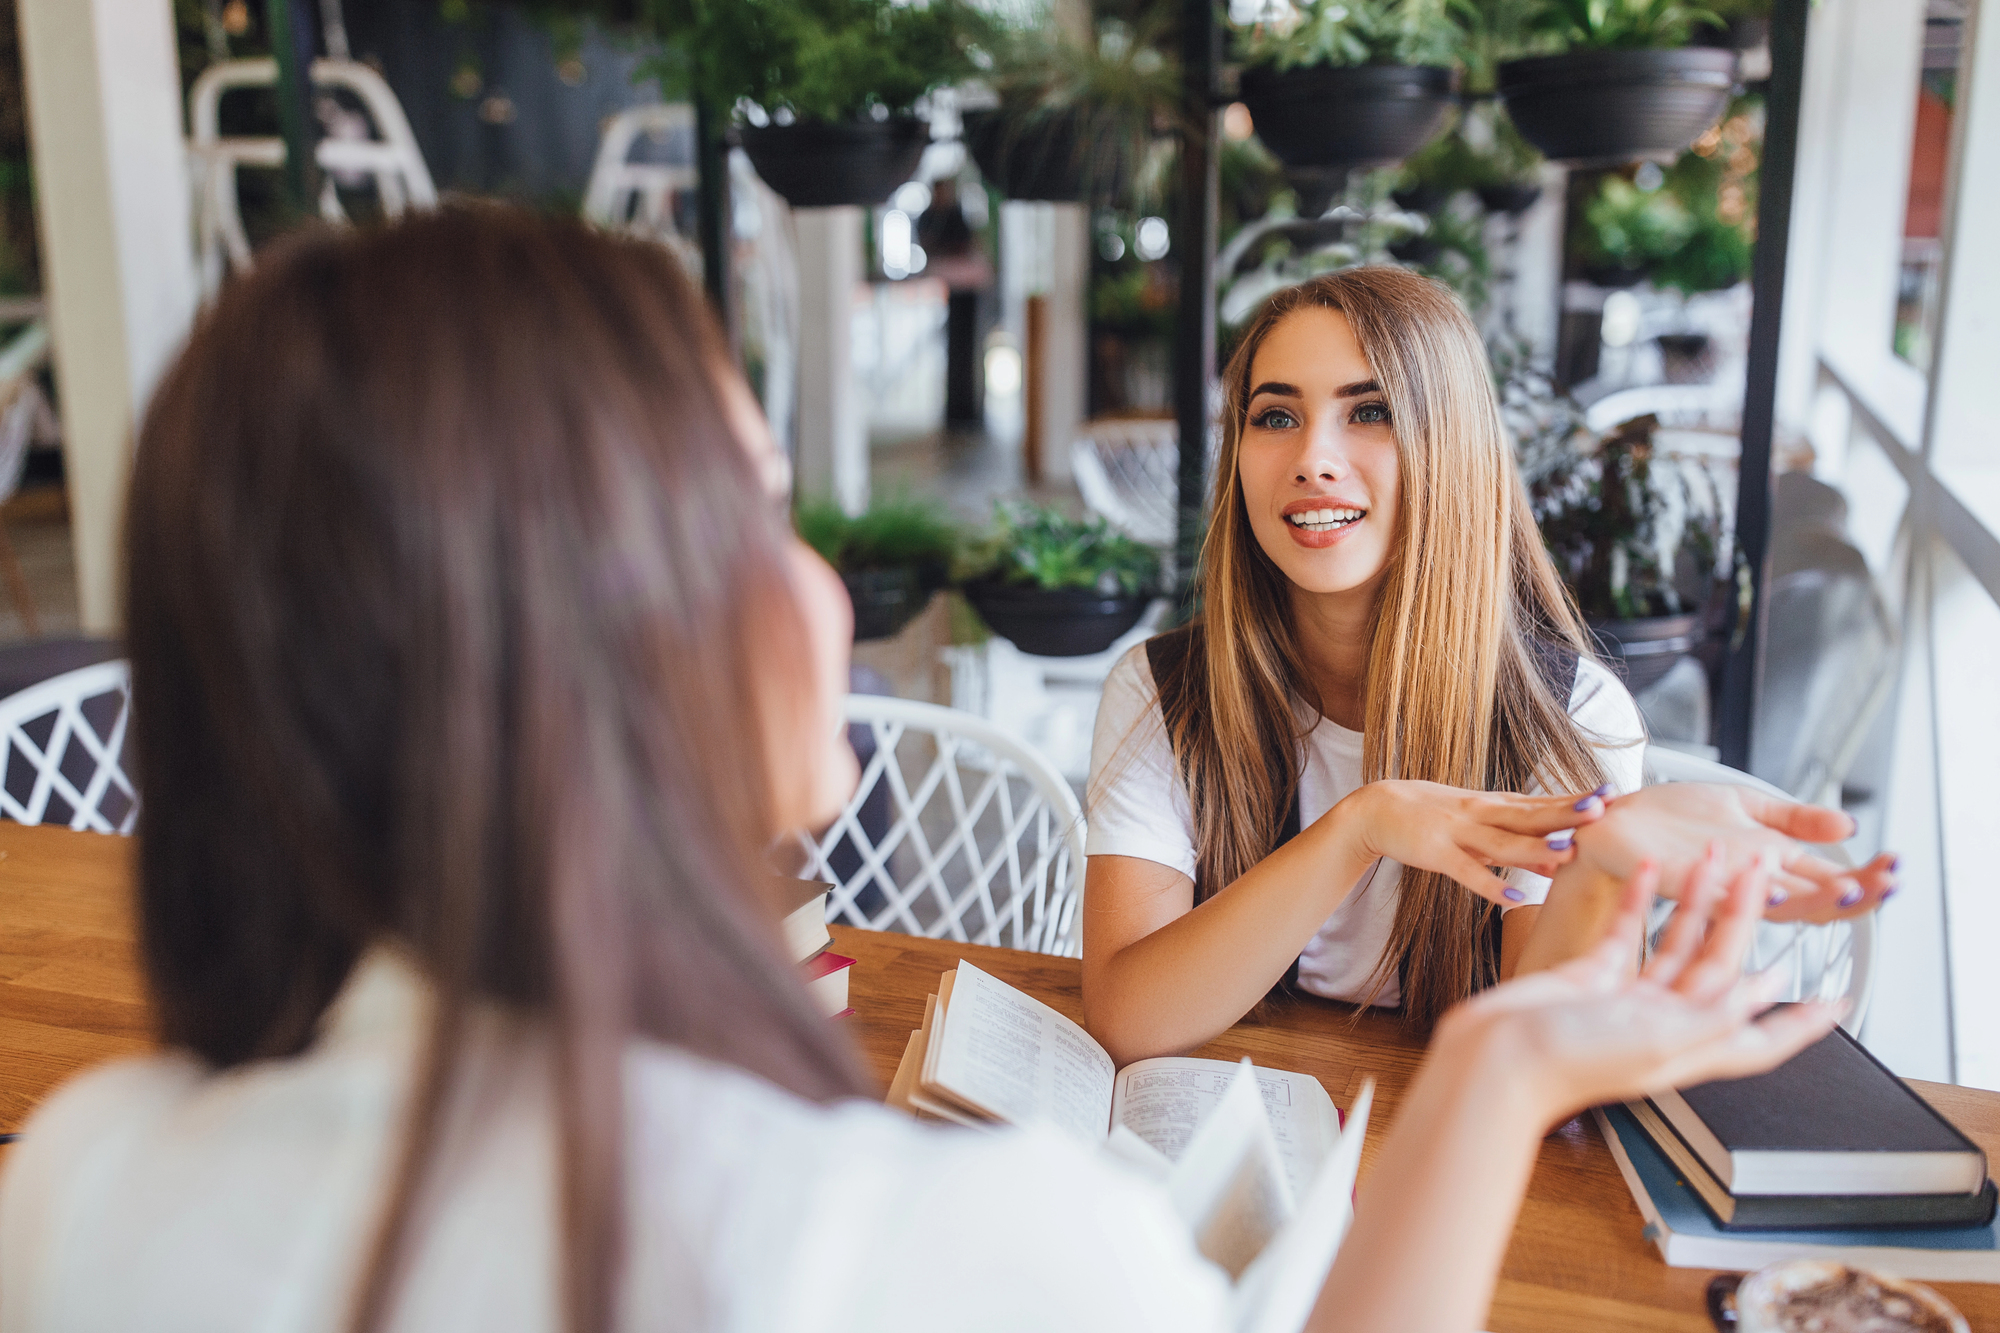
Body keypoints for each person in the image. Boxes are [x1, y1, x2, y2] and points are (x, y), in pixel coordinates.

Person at [0, 210, 1854, 1333]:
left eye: (1366, 414)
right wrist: (1504, 1066)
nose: (827, 578)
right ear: (581, 640)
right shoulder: (948, 1246)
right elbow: (1132, 1015)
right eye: (748, 507)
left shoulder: (77, 1181)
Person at [1081, 268, 1896, 1064]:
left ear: (1454, 449)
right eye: (1275, 416)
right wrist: (1360, 827)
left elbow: (1550, 1052)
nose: (1313, 458)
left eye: (1371, 410)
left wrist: (1608, 865)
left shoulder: (1566, 715)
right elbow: (1130, 1018)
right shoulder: (1165, 689)